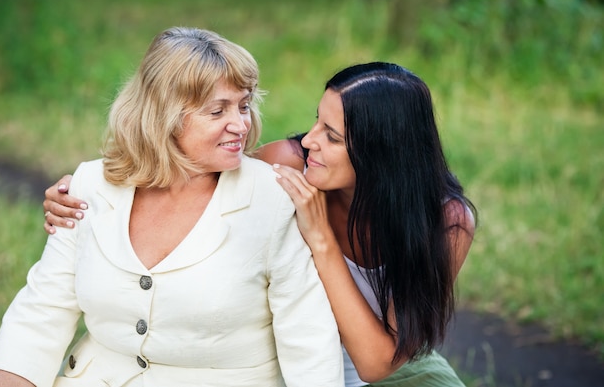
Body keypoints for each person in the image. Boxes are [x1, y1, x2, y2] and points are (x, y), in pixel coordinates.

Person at [42, 62, 477, 386]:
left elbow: (377, 363)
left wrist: (320, 237)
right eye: (316, 122)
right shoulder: (287, 165)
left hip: (394, 372)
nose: (309, 141)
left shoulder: (446, 222)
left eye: (332, 135)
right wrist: (94, 187)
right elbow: (184, 176)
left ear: (385, 153)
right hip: (294, 365)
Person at [0, 27, 344, 387]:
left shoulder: (274, 198)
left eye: (244, 105)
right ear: (164, 115)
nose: (241, 125)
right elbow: (41, 314)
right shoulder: (89, 187)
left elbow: (308, 338)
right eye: (218, 111)